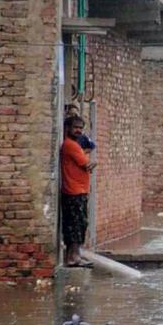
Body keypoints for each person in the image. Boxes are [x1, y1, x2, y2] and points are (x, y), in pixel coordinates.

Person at [60, 115, 96, 268]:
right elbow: (86, 164)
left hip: (77, 190)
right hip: (74, 191)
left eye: (81, 128)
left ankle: (74, 256)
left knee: (78, 225)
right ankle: (73, 257)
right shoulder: (71, 145)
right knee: (76, 225)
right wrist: (92, 162)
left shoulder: (73, 145)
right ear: (67, 128)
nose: (78, 131)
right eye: (75, 127)